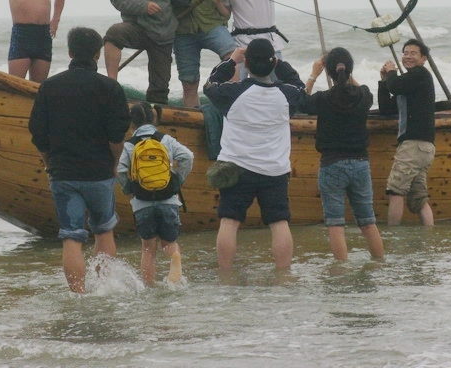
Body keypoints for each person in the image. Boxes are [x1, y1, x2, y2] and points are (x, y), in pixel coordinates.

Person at [28, 27, 130, 293]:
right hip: (99, 172)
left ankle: (78, 294)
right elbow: (117, 137)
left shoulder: (50, 87)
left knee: (71, 236)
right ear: (97, 54)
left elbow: (38, 134)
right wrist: (114, 164)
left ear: (70, 52)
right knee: (104, 230)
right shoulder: (110, 88)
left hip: (63, 173)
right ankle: (104, 288)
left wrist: (49, 162)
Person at [203, 38, 306, 271]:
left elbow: (210, 84)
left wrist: (232, 61)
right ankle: (283, 275)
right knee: (279, 222)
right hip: (274, 170)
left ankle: (226, 275)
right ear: (273, 63)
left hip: (236, 167)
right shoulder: (286, 95)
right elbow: (300, 86)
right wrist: (280, 64)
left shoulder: (233, 93)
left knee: (229, 221)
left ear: (247, 64)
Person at [301, 48, 385, 260]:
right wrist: (346, 73)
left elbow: (301, 102)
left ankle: (341, 268)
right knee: (368, 221)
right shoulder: (363, 96)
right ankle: (379, 263)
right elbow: (363, 91)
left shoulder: (323, 99)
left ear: (329, 72)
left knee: (335, 223)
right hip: (360, 163)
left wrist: (313, 75)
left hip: (332, 164)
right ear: (350, 70)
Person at [116, 102, 194, 285]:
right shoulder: (165, 140)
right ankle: (174, 261)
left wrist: (128, 188)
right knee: (169, 242)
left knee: (148, 249)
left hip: (141, 202)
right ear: (154, 119)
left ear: (131, 123)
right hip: (168, 200)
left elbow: (119, 169)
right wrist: (177, 180)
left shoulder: (129, 145)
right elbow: (188, 156)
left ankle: (149, 286)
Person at [378, 38, 436, 226]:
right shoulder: (409, 82)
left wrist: (391, 72)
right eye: (405, 53)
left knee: (395, 190)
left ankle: (393, 236)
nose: (408, 56)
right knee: (418, 198)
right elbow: (386, 108)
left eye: (413, 53)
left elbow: (395, 85)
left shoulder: (420, 74)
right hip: (423, 148)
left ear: (423, 58)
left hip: (414, 145)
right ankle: (429, 233)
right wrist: (383, 81)